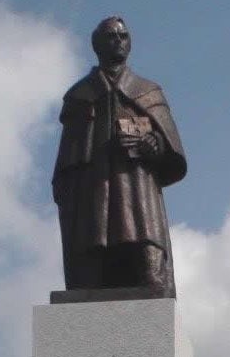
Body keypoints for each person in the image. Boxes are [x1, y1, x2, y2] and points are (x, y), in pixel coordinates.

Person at [52, 16, 187, 295]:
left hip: (137, 185)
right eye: (112, 37)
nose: (119, 42)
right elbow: (67, 159)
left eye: (123, 36)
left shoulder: (147, 91)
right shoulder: (80, 95)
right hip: (93, 186)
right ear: (97, 45)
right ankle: (89, 283)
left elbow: (169, 145)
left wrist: (156, 145)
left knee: (145, 245)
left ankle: (150, 277)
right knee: (91, 241)